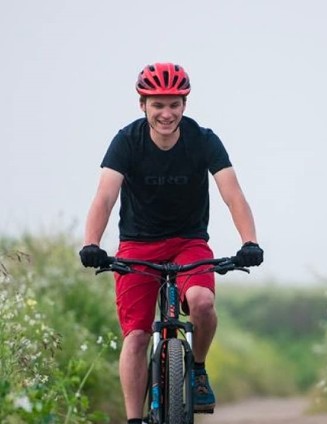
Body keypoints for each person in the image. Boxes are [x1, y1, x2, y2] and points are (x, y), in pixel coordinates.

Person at [78, 62, 264, 424]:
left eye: (174, 104)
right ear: (142, 105)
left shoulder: (204, 140)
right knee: (136, 336)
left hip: (188, 242)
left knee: (202, 302)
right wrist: (92, 243)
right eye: (158, 104)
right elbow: (104, 196)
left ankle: (197, 369)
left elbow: (233, 194)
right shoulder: (126, 141)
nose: (166, 113)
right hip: (138, 246)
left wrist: (249, 242)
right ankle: (134, 419)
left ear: (184, 104)